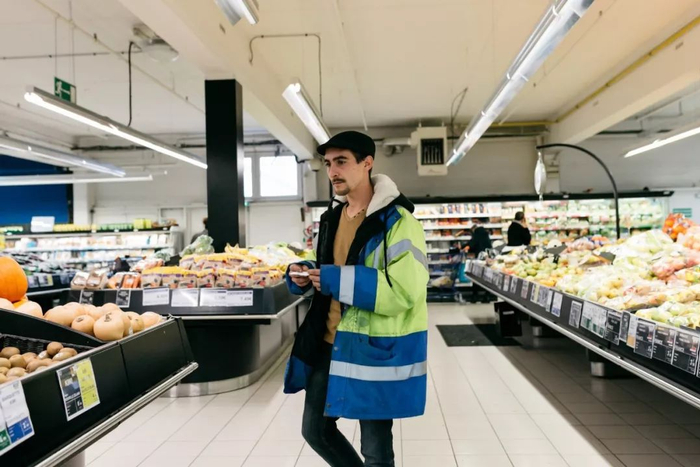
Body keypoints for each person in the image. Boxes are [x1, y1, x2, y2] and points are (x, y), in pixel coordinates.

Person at [285, 130, 429, 467]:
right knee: (315, 430)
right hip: (329, 342)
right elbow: (331, 268)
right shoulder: (331, 218)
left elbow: (404, 291)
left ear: (367, 163)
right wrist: (306, 273)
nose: (332, 171)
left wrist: (334, 278)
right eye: (328, 163)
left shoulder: (398, 222)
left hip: (373, 347)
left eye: (341, 161)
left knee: (376, 450)